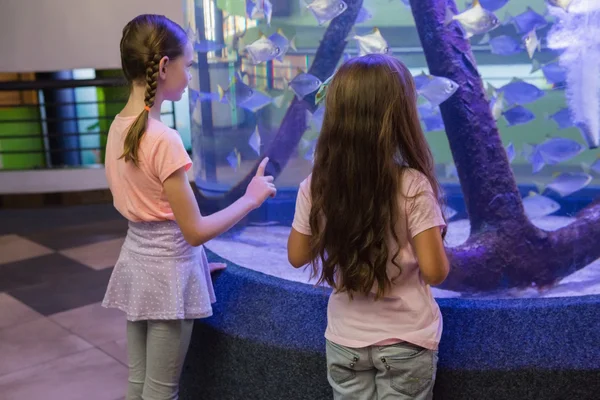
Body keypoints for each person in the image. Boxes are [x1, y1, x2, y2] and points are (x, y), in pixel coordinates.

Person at [101, 14, 276, 400]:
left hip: (140, 267)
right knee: (163, 391)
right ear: (164, 66)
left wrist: (194, 262)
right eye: (190, 65)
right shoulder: (164, 140)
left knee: (137, 383)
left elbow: (154, 219)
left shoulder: (117, 127)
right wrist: (251, 198)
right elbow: (193, 229)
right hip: (166, 280)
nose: (191, 75)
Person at [287, 54, 449, 400]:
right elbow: (435, 272)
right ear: (400, 117)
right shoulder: (412, 186)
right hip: (406, 341)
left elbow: (297, 255)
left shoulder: (316, 185)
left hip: (345, 342)